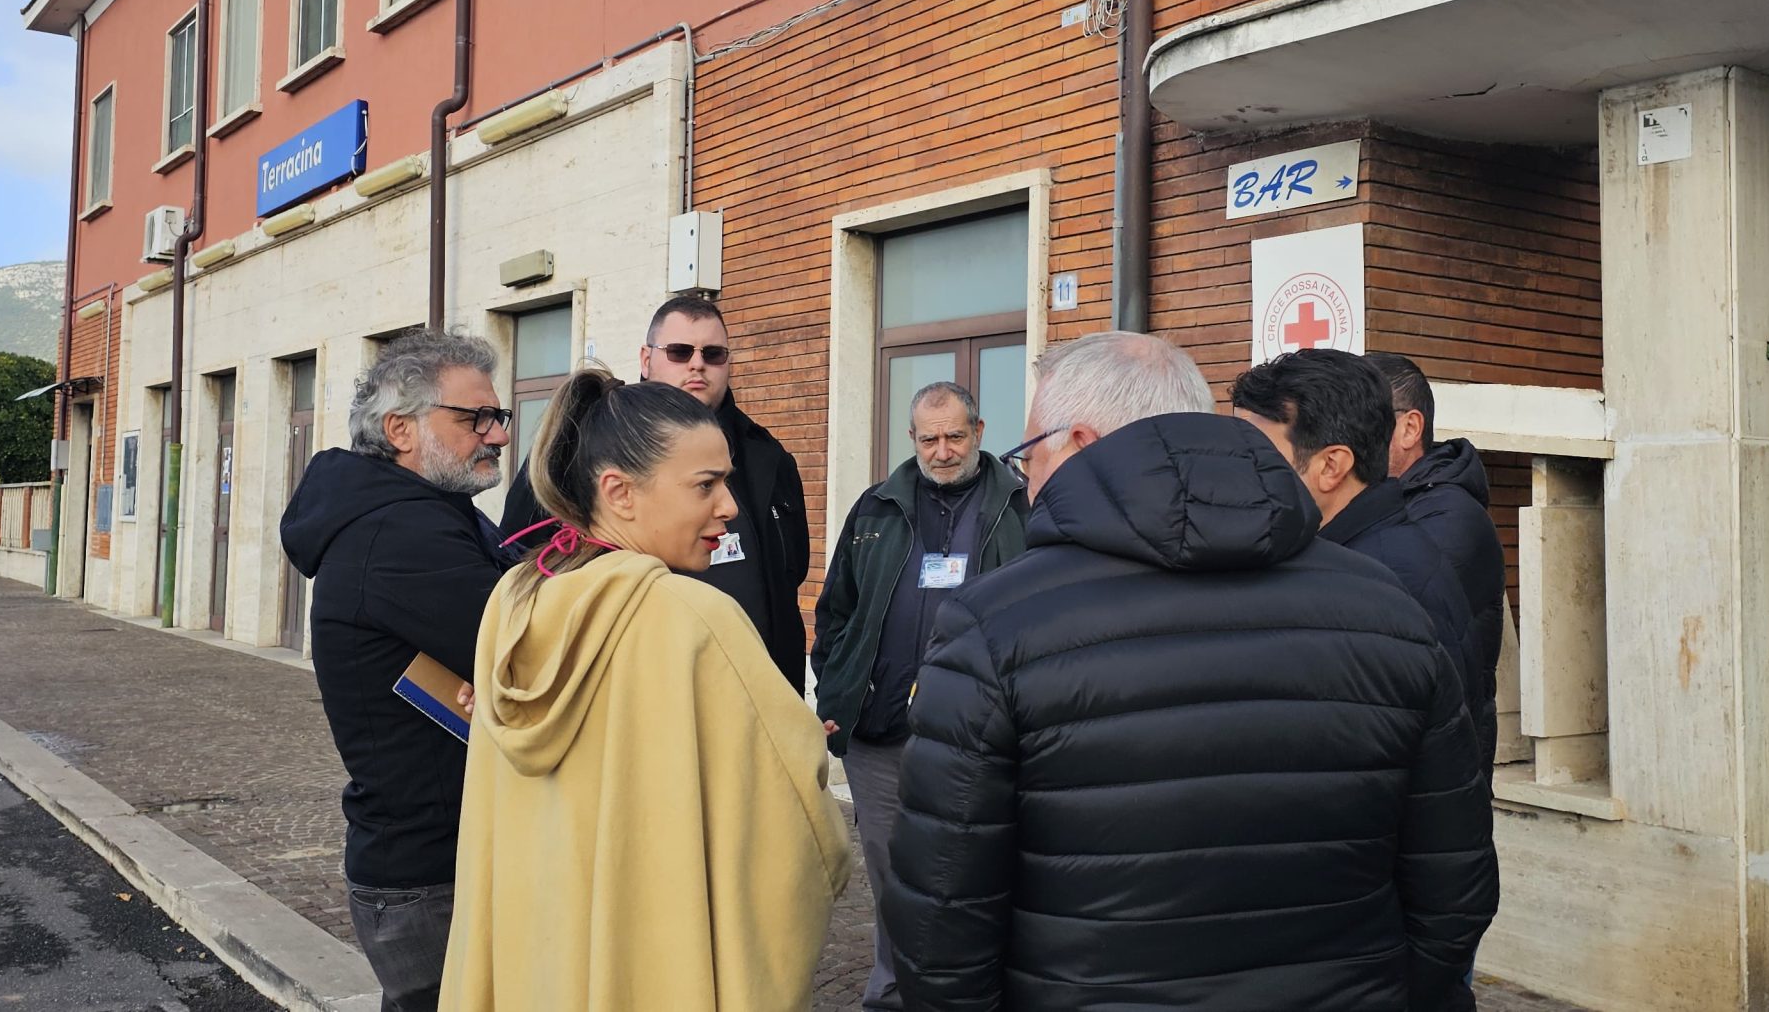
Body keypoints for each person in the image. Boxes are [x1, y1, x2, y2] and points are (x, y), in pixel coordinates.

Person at [880, 332, 1496, 1011]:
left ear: (1079, 443)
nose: (1026, 479)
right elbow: (1453, 891)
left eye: (1030, 455)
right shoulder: (1388, 607)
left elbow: (941, 926)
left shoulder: (990, 627)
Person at [446, 369, 851, 1012]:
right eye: (706, 485)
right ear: (620, 492)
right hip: (652, 972)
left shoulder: (514, 602)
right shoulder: (694, 618)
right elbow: (797, 815)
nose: (730, 506)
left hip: (537, 965)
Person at [277, 332, 515, 1012]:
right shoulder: (401, 533)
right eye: (475, 418)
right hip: (434, 873)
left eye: (498, 416)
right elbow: (535, 652)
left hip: (431, 860)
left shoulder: (435, 517)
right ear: (400, 430)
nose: (497, 435)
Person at [809, 381, 1028, 1011]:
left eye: (955, 435)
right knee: (889, 872)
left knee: (976, 868)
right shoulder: (875, 508)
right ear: (911, 439)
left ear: (979, 432)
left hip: (979, 735)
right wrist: (839, 686)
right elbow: (836, 611)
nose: (942, 450)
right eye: (929, 439)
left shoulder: (1019, 506)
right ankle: (893, 991)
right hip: (880, 733)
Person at [502, 295, 812, 690]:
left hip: (757, 688)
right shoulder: (585, 445)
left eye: (713, 354)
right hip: (633, 685)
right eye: (680, 352)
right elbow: (522, 567)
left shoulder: (767, 455)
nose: (697, 364)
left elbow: (791, 572)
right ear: (646, 359)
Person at [1233, 349, 1478, 714]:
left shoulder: (1394, 587)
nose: (1239, 472)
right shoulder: (1323, 554)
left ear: (1332, 466)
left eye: (1258, 457)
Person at [1368, 351, 1507, 771]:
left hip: (1443, 759)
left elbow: (1381, 608)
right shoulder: (1387, 500)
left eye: (1360, 419)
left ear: (1410, 428)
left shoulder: (1451, 515)